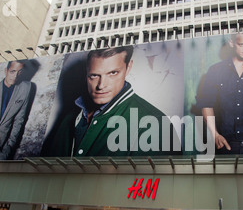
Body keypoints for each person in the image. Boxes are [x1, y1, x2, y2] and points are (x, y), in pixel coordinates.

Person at [41, 46, 179, 157]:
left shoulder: (156, 124)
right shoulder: (70, 117)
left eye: (113, 73)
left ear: (128, 67)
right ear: (86, 72)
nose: (101, 85)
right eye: (94, 75)